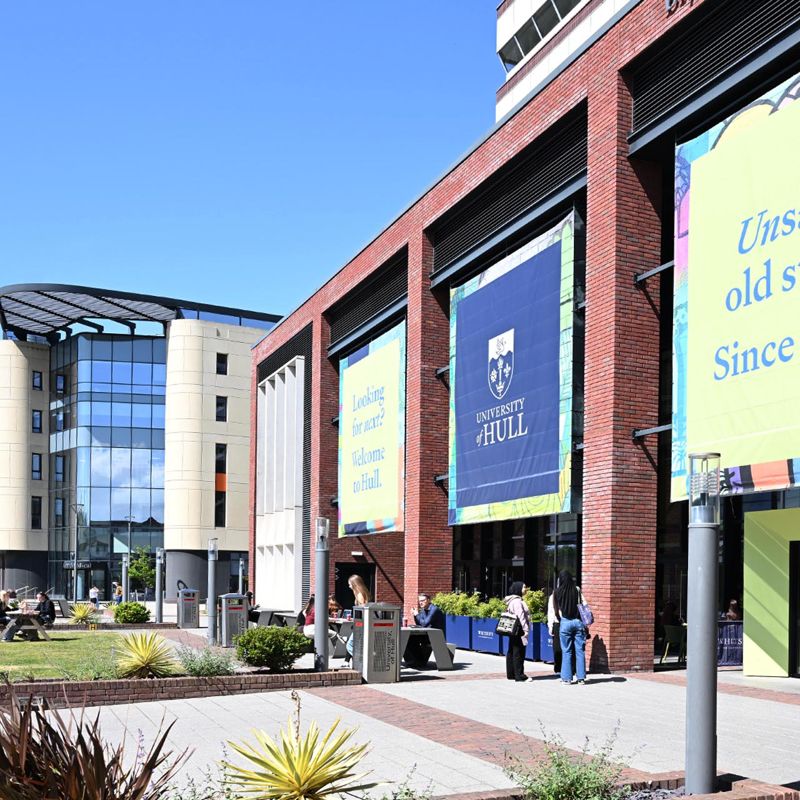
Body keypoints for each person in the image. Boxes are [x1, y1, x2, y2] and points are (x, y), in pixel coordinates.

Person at [554, 570, 587, 685]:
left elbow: (556, 610)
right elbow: (584, 605)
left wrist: (560, 619)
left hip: (565, 622)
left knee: (566, 651)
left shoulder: (557, 592)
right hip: (578, 622)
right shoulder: (577, 590)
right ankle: (581, 678)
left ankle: (567, 678)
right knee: (580, 651)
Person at [403, 593, 446, 669]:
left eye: (423, 600)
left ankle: (417, 661)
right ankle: (414, 661)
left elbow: (425, 624)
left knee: (410, 639)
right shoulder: (423, 610)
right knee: (407, 638)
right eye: (419, 601)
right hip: (428, 634)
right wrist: (415, 615)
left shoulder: (434, 609)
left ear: (429, 600)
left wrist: (416, 614)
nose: (421, 602)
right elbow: (419, 623)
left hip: (436, 636)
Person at [503, 581, 531, 682]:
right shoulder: (517, 601)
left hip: (513, 629)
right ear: (518, 589)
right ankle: (519, 675)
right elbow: (521, 616)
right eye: (524, 587)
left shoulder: (511, 600)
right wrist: (525, 630)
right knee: (519, 652)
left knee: (512, 651)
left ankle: (511, 674)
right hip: (519, 629)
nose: (525, 589)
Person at [342, 575, 371, 666]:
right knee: (354, 643)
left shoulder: (359, 595)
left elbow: (363, 610)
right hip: (362, 623)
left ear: (355, 584)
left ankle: (361, 660)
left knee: (350, 644)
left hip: (361, 623)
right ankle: (354, 661)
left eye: (350, 584)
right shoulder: (361, 594)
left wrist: (357, 621)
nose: (349, 586)